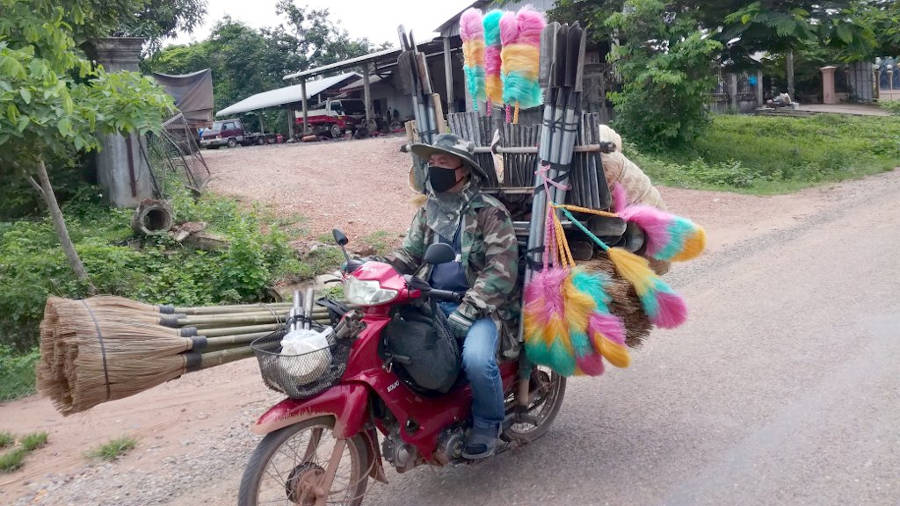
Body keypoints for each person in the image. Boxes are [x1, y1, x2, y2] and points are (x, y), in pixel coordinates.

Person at [384, 133, 519, 459]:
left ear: (464, 170)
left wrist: (470, 308)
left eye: (443, 162)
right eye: (431, 163)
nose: (435, 169)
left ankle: (488, 423)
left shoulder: (490, 213)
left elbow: (501, 273)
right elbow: (408, 255)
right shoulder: (429, 211)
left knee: (476, 360)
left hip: (483, 310)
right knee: (390, 348)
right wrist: (376, 271)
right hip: (432, 302)